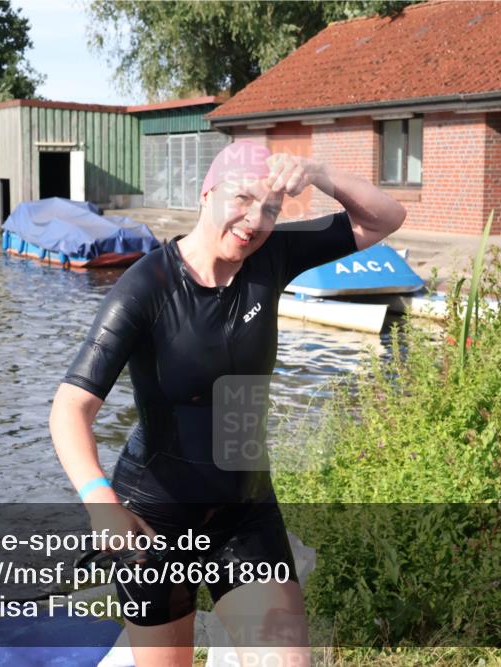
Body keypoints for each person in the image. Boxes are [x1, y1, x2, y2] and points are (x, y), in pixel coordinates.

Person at [50, 141, 405, 666]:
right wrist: (101, 501)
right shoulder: (145, 287)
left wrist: (321, 173)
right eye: (241, 199)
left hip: (244, 509)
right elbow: (69, 409)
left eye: (270, 208)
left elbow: (385, 218)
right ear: (206, 192)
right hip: (155, 519)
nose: (255, 220)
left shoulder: (271, 256)